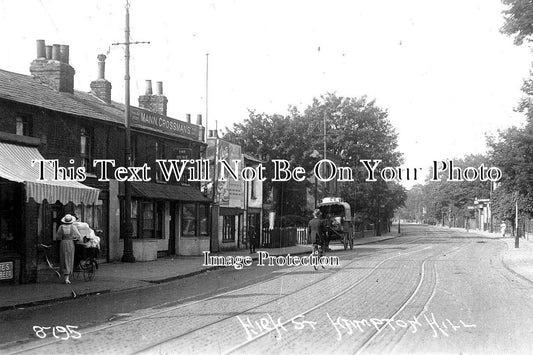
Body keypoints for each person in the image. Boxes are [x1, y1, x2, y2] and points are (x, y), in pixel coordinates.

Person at [54, 214, 81, 284]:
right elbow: (79, 235)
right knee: (69, 258)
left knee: (64, 258)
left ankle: (65, 276)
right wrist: (75, 238)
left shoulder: (61, 227)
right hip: (70, 243)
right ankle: (67, 277)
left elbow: (57, 236)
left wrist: (62, 238)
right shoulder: (73, 227)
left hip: (63, 243)